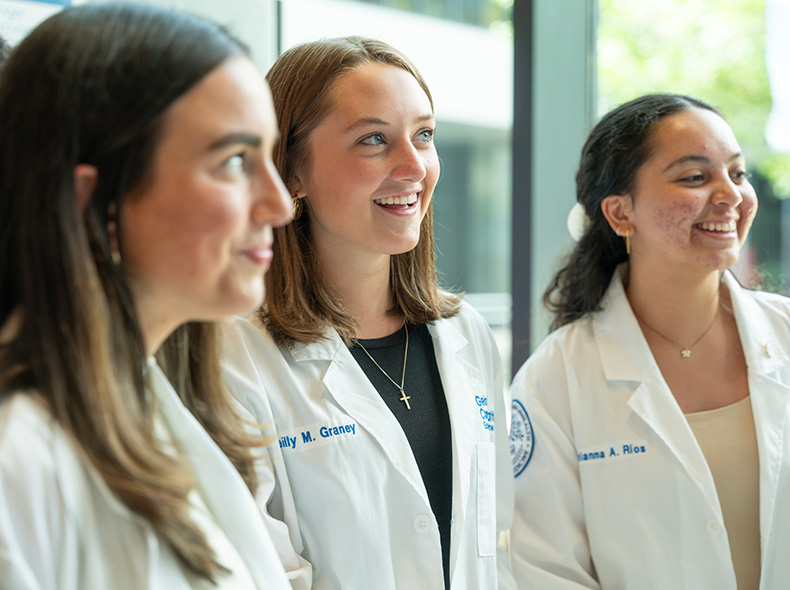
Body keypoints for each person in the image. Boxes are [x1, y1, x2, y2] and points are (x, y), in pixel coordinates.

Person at [0, 4, 294, 588]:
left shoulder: (152, 408)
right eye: (234, 161)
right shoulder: (17, 459)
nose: (280, 204)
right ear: (91, 202)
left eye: (270, 157)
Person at [221, 36, 516, 590]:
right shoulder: (233, 355)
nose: (414, 166)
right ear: (292, 171)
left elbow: (497, 546)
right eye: (373, 140)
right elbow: (258, 573)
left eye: (424, 135)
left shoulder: (465, 335)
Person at [509, 93, 790, 589]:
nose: (730, 195)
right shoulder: (556, 377)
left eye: (738, 174)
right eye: (695, 177)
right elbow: (547, 570)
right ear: (620, 213)